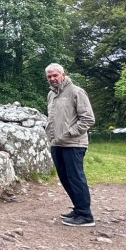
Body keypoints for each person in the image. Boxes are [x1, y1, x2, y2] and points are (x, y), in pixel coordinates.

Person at [45, 63, 96, 226]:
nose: (52, 78)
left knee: (75, 178)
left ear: (63, 74)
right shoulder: (51, 94)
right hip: (57, 144)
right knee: (65, 178)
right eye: (49, 76)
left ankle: (85, 215)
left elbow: (88, 119)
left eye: (55, 75)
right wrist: (51, 136)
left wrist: (69, 133)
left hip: (74, 143)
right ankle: (78, 209)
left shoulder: (76, 91)